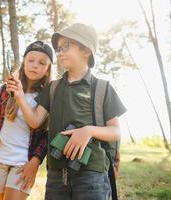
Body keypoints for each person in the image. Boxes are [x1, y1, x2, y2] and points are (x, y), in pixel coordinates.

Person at [7, 23, 127, 200]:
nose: (60, 52)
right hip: (56, 175)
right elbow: (34, 120)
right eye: (59, 48)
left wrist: (88, 131)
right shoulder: (53, 88)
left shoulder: (102, 88)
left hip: (91, 175)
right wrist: (19, 96)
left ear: (86, 50)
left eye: (66, 47)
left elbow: (116, 131)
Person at [0, 41, 53, 200]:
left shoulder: (47, 97)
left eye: (41, 63)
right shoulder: (6, 88)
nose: (35, 65)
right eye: (31, 60)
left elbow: (45, 133)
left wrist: (35, 162)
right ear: (24, 62)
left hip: (23, 162)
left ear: (47, 71)